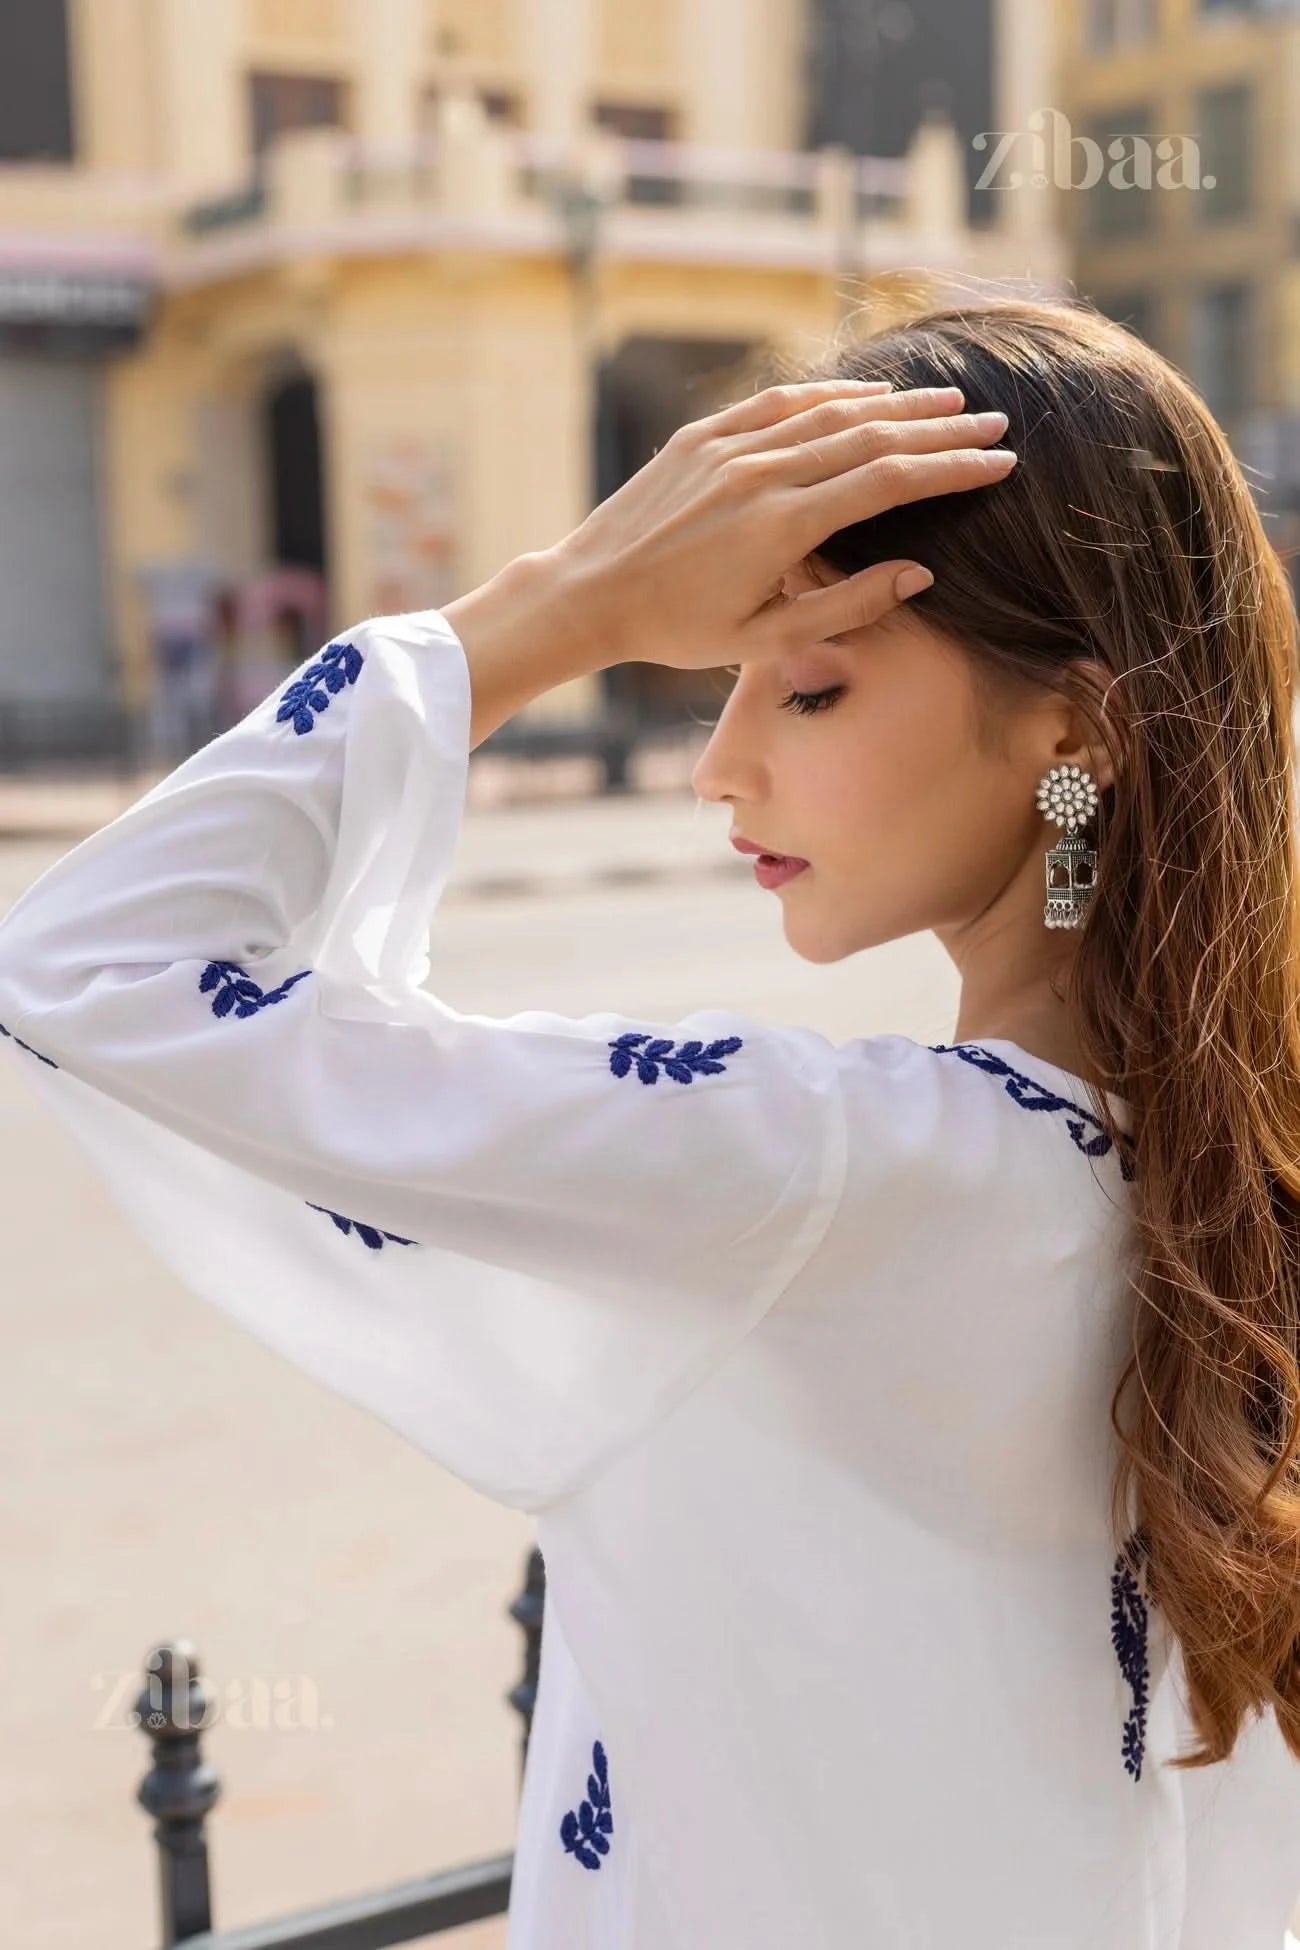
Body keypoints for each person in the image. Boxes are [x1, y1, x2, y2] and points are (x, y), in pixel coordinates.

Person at [0, 297, 1298, 1948]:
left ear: (1078, 732)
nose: (718, 763)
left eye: (807, 690)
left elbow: (89, 966)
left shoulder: (813, 1175)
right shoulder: (1214, 1169)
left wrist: (567, 603)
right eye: (718, 682)